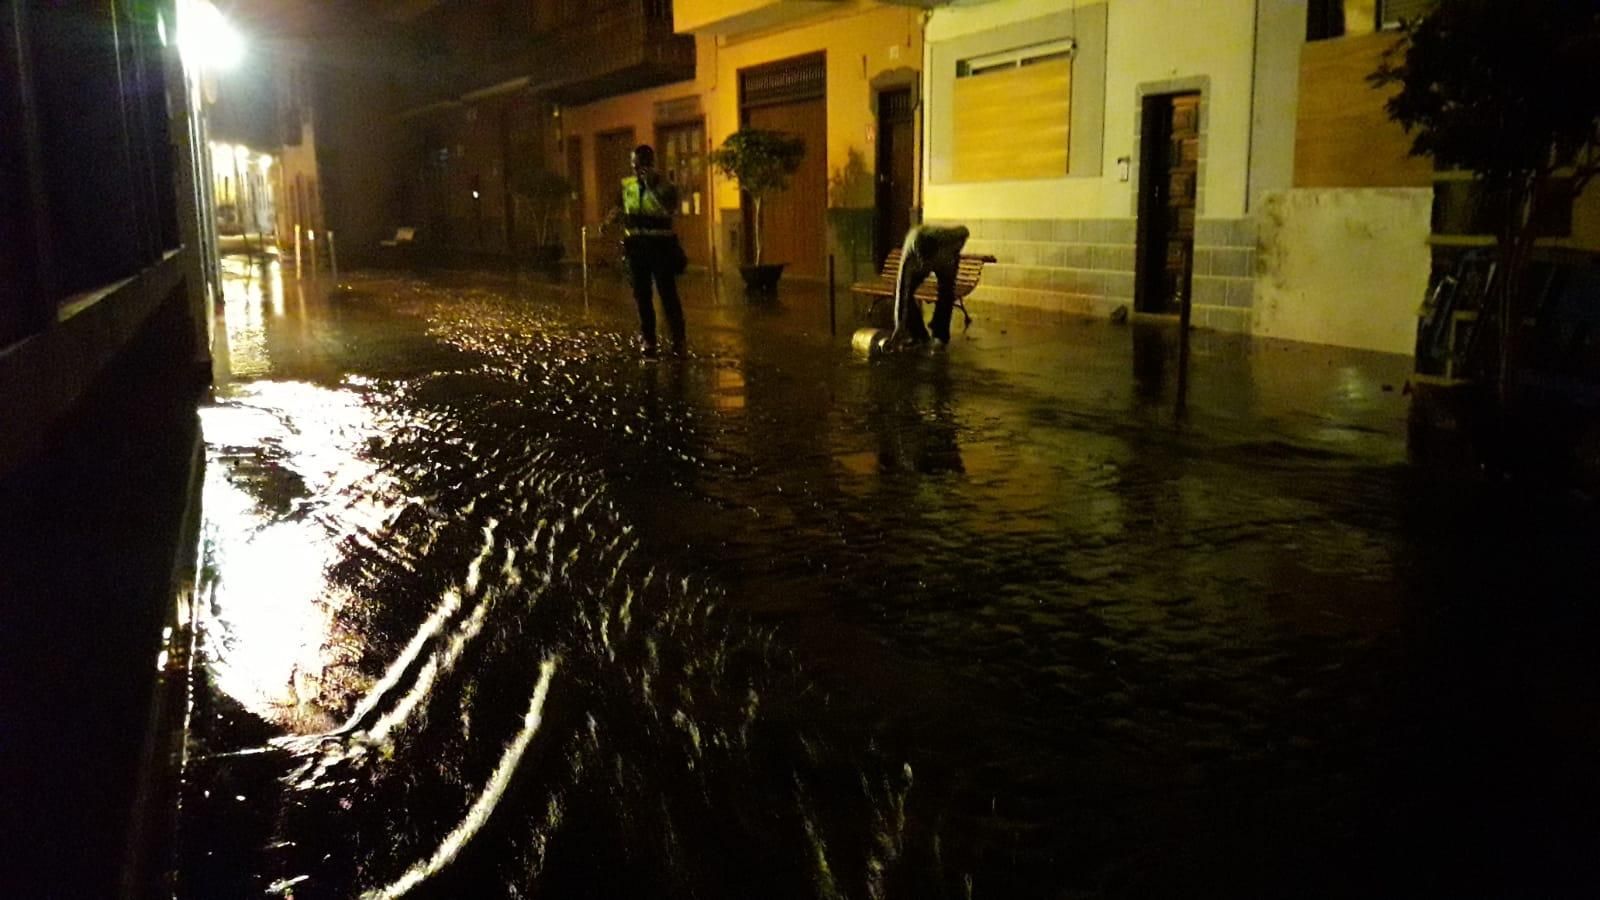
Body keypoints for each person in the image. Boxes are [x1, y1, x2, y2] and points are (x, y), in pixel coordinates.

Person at [614, 144, 687, 358]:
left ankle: (679, 340)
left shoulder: (665, 186)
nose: (637, 170)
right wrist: (613, 219)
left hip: (660, 246)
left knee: (668, 294)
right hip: (636, 246)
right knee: (642, 295)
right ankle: (648, 339)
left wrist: (652, 186)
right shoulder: (628, 186)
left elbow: (670, 208)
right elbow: (620, 207)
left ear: (651, 164)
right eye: (634, 165)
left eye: (640, 165)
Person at [889, 224, 971, 347]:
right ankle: (919, 334)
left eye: (928, 263)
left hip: (944, 261)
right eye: (924, 263)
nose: (927, 267)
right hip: (917, 263)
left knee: (946, 292)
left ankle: (940, 334)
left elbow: (964, 231)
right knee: (903, 292)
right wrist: (899, 325)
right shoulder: (910, 252)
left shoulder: (947, 240)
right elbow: (901, 288)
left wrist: (957, 249)